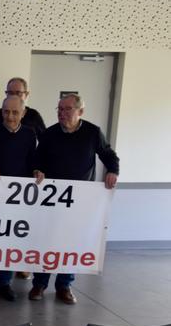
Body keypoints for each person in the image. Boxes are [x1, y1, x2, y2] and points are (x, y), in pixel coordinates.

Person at [29, 93, 119, 305]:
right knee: (48, 242)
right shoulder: (49, 134)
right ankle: (39, 283)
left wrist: (113, 170)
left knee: (71, 244)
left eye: (67, 109)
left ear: (80, 111)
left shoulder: (92, 132)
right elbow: (38, 159)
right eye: (59, 109)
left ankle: (65, 285)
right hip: (52, 200)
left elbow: (108, 154)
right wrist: (37, 170)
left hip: (79, 201)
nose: (62, 113)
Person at [0, 95, 38, 302]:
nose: (9, 117)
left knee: (11, 242)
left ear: (23, 113)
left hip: (17, 199)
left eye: (14, 112)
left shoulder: (29, 134)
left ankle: (5, 282)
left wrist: (37, 171)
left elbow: (32, 162)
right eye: (5, 112)